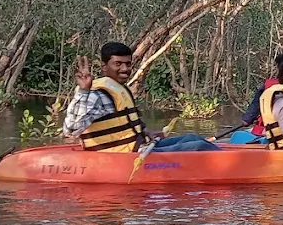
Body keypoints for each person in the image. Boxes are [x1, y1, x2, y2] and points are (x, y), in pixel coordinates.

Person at [62, 42, 220, 153]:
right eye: (118, 64)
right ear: (105, 67)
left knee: (191, 137)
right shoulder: (96, 94)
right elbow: (70, 130)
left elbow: (126, 123)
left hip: (140, 147)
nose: (125, 69)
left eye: (128, 64)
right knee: (199, 147)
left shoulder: (120, 89)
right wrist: (83, 91)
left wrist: (146, 131)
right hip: (120, 157)